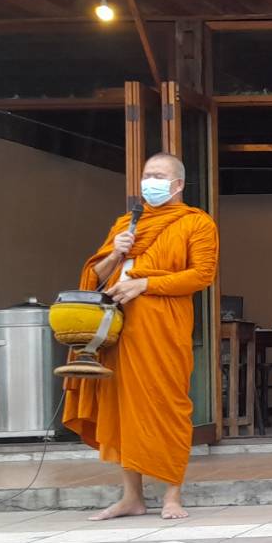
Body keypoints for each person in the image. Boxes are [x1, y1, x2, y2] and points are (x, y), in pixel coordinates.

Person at [70, 152, 219, 521]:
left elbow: (201, 275)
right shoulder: (126, 224)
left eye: (159, 175)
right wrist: (114, 254)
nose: (150, 182)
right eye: (146, 175)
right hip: (120, 330)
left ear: (178, 184)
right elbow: (97, 276)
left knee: (168, 404)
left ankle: (172, 496)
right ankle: (131, 497)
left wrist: (145, 284)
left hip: (163, 327)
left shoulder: (197, 224)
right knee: (121, 409)